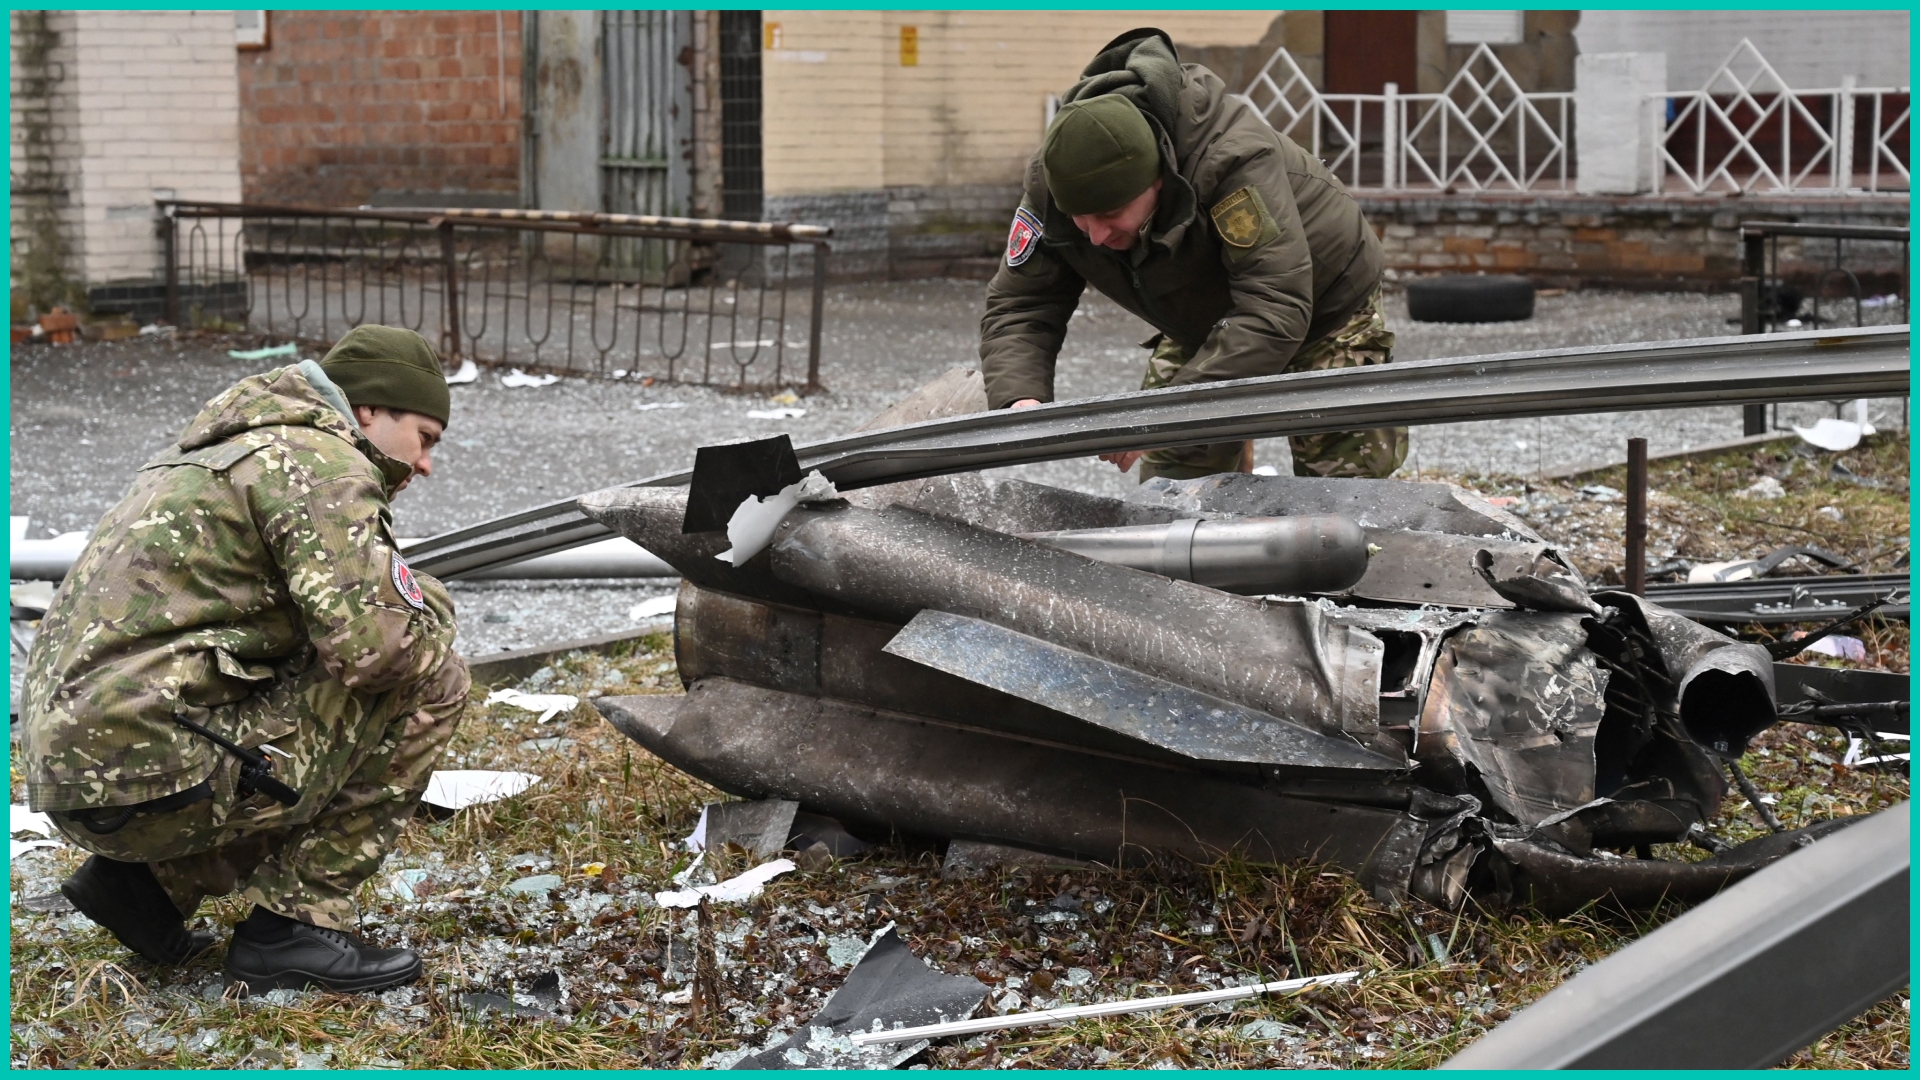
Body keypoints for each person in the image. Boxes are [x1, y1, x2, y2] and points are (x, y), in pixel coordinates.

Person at [19, 325, 467, 993]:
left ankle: (147, 890)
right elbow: (378, 653)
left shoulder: (217, 449)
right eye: (425, 437)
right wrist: (431, 607)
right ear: (368, 409)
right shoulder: (320, 461)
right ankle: (295, 927)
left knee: (308, 681)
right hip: (149, 774)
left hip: (74, 776)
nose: (425, 462)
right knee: (433, 681)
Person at [980, 28, 1407, 482]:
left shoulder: (1230, 161)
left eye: (1110, 214)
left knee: (1346, 501)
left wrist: (1163, 416)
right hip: (1204, 320)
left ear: (1159, 182)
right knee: (1172, 494)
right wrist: (1020, 399)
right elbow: (1022, 303)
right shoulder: (1056, 183)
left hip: (1326, 309)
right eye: (1081, 220)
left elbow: (1276, 308)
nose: (1097, 236)